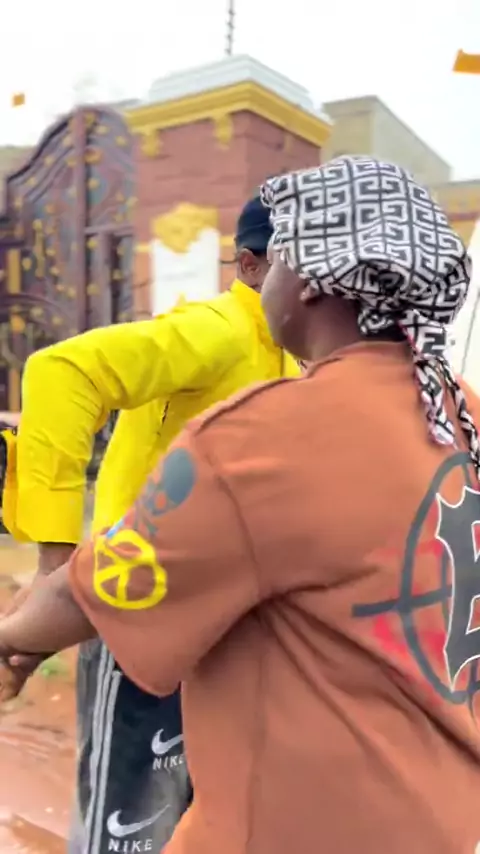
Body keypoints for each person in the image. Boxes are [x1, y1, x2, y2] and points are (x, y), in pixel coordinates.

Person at [1, 154, 479, 853]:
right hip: (434, 810)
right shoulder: (458, 413)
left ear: (308, 278)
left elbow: (94, 591)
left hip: (158, 629)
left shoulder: (272, 426)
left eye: (271, 260)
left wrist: (24, 623)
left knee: (127, 820)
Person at [0, 194, 299, 854]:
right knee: (130, 824)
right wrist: (55, 563)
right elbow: (59, 372)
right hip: (141, 613)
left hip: (229, 625)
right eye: (298, 262)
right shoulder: (218, 331)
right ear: (250, 266)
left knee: (203, 817)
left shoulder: (297, 352)